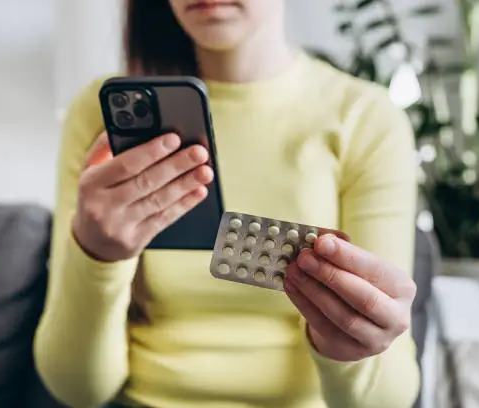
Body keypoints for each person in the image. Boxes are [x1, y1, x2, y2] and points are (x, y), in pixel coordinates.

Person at [33, 1, 420, 407]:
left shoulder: (368, 120)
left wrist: (346, 346)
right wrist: (97, 255)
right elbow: (76, 389)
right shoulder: (99, 114)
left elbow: (387, 399)